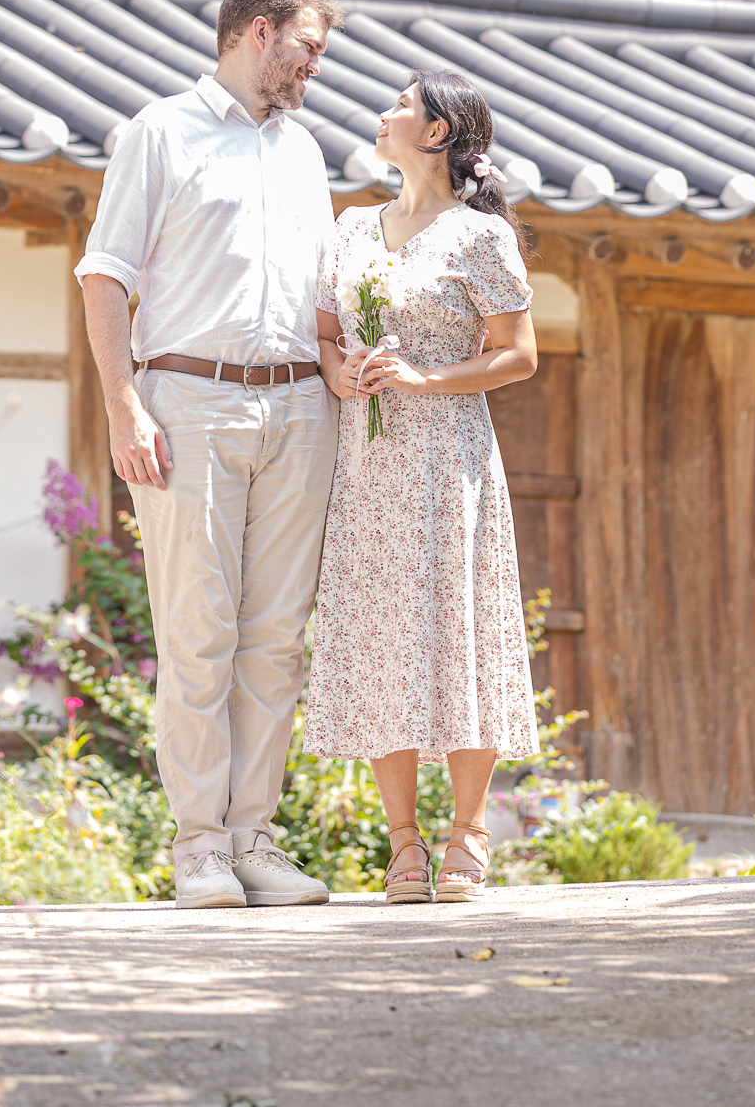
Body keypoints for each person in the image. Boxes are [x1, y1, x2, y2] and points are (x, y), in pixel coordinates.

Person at [75, 0, 342, 909]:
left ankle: (255, 839)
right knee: (199, 630)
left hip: (303, 407)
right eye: (309, 49)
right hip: (187, 400)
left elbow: (324, 297)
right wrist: (123, 405)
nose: (316, 69)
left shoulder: (305, 152)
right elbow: (104, 276)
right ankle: (199, 849)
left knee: (275, 638)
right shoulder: (160, 132)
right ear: (259, 33)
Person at [303, 68, 540, 902]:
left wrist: (427, 378)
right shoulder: (352, 228)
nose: (384, 115)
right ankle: (403, 847)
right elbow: (326, 340)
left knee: (459, 629)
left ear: (437, 133)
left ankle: (468, 834)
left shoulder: (480, 236)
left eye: (401, 106)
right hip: (368, 466)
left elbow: (519, 354)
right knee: (379, 638)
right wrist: (344, 378)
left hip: (449, 463)